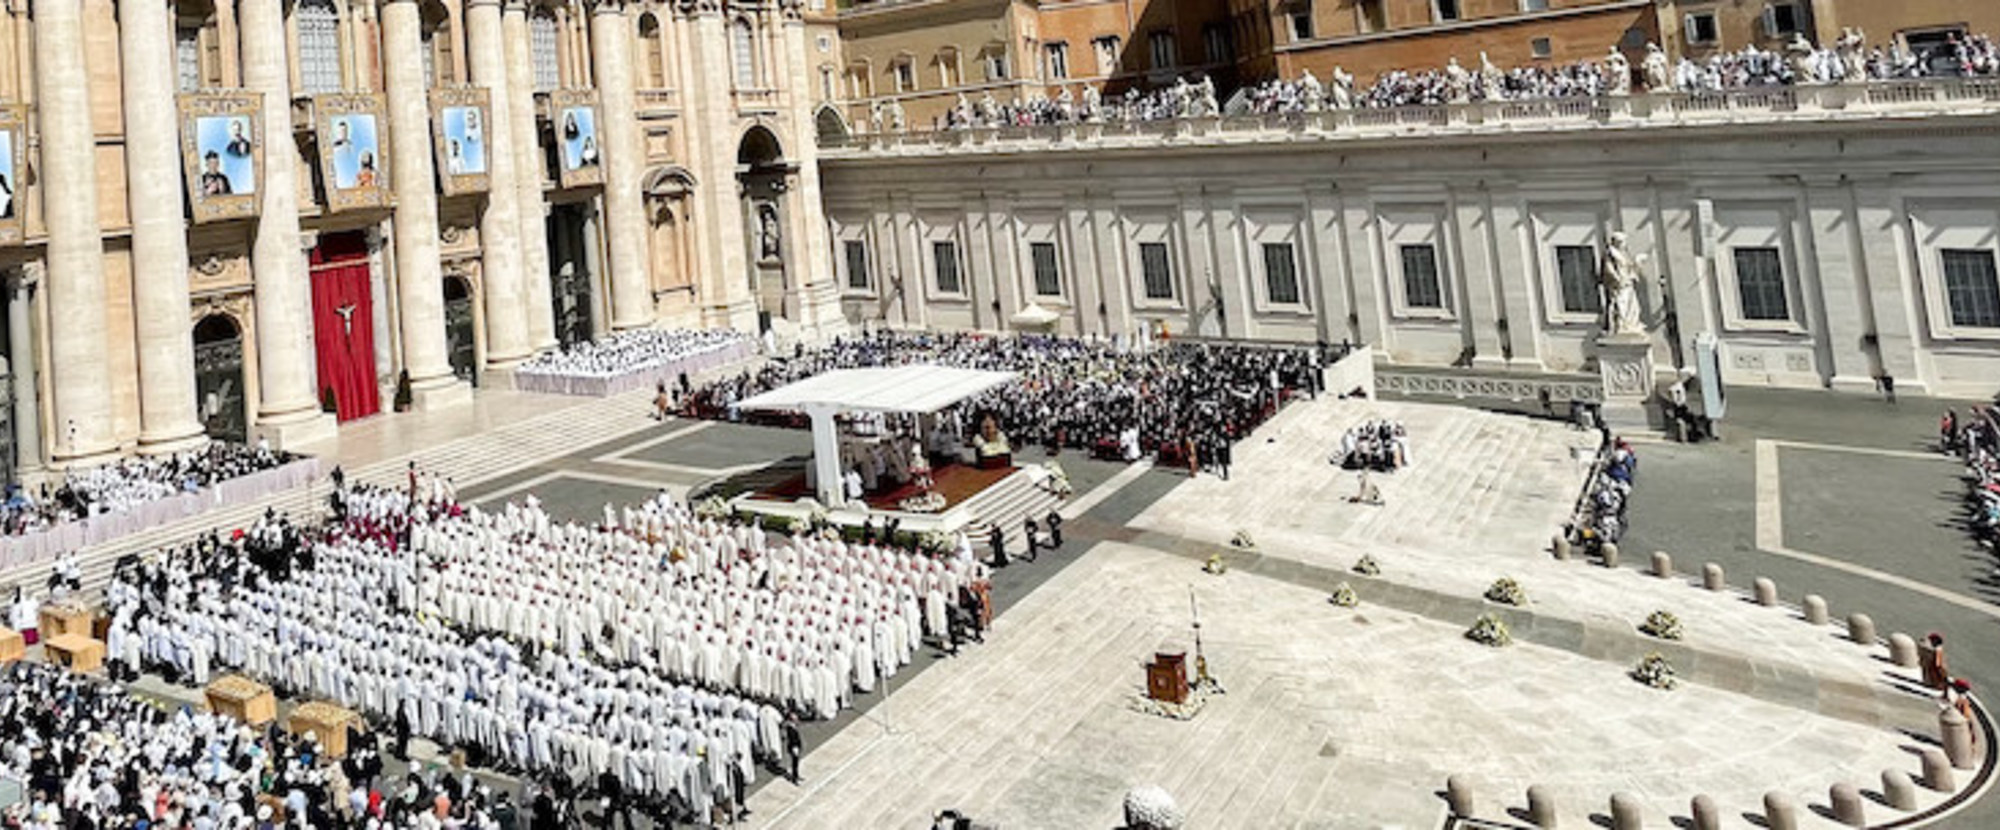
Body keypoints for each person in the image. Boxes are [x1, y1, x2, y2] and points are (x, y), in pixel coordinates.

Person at [781, 713, 803, 784]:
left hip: (796, 746)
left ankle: (796, 775)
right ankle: (795, 778)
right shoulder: (790, 728)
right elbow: (792, 739)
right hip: (794, 747)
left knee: (796, 763)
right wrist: (794, 748)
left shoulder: (793, 727)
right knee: (795, 764)